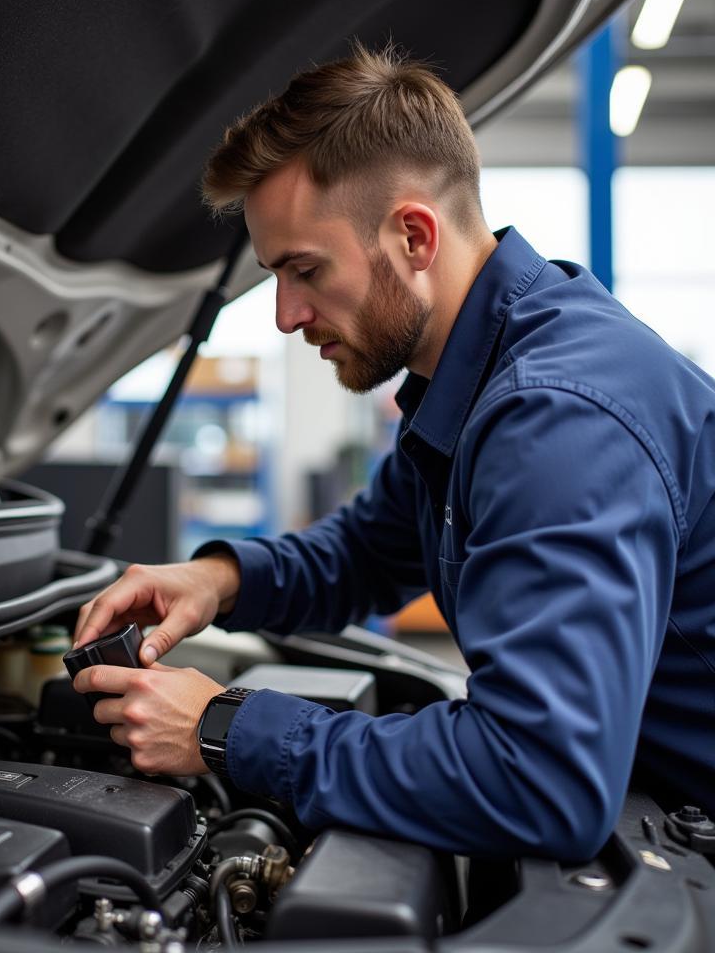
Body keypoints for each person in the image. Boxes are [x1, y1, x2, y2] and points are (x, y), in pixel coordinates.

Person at [71, 44, 715, 859]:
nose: (284, 315)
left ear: (414, 235)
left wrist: (224, 727)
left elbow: (539, 780)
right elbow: (369, 552)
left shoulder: (556, 418)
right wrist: (220, 580)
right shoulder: (478, 374)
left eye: (304, 269)